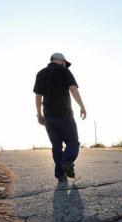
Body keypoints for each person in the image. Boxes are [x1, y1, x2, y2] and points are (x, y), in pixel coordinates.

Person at [33, 52, 87, 181]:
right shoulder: (64, 71)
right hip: (65, 114)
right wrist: (82, 106)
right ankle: (67, 162)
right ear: (61, 61)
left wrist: (39, 114)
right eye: (64, 62)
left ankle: (60, 174)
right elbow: (73, 89)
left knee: (56, 146)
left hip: (49, 116)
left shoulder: (41, 73)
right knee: (73, 142)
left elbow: (38, 96)